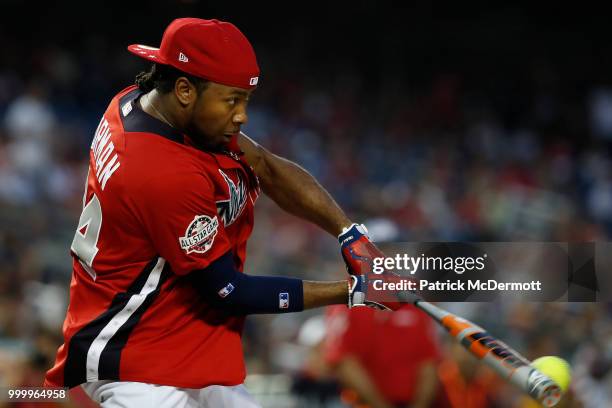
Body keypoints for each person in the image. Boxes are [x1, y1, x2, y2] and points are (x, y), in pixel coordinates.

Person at [43, 17, 401, 407]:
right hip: (132, 360)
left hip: (177, 340)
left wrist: (350, 234)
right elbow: (229, 291)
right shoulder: (160, 171)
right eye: (232, 100)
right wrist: (353, 292)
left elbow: (263, 165)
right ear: (184, 89)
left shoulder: (147, 104)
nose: (242, 115)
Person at [324, 304, 440, 408]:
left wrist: (419, 405)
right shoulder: (347, 305)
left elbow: (429, 363)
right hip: (364, 403)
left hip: (409, 402)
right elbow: (345, 363)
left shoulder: (414, 304)